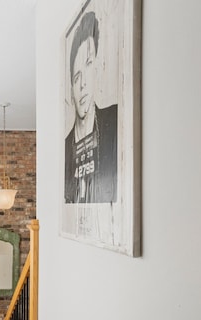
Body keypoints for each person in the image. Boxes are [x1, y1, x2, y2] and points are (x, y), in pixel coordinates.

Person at [64, 11, 117, 204]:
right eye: (76, 77)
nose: (83, 84)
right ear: (70, 90)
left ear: (97, 69)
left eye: (88, 64)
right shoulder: (64, 150)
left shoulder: (116, 122)